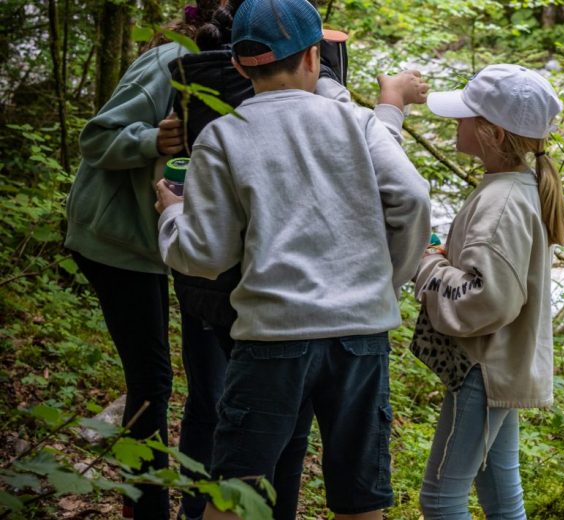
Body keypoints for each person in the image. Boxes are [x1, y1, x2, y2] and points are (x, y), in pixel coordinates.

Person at [154, 1, 431, 519]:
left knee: (235, 496)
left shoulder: (222, 136)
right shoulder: (359, 123)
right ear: (313, 57)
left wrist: (173, 215)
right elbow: (412, 198)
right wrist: (384, 283)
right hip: (361, 336)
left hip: (273, 337)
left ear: (238, 64)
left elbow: (206, 256)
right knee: (360, 497)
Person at [63, 2, 218, 519]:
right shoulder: (172, 59)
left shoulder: (223, 69)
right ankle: (144, 506)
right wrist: (152, 137)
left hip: (153, 242)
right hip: (113, 239)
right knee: (152, 379)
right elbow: (96, 137)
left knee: (161, 378)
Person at [413, 64, 564, 519]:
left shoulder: (502, 203)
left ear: (494, 134)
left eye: (465, 116)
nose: (456, 124)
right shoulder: (516, 188)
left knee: (440, 501)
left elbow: (488, 299)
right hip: (497, 367)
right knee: (501, 497)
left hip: (483, 370)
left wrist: (427, 262)